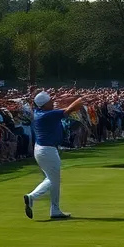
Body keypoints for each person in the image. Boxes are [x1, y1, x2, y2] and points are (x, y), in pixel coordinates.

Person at [24, 90, 82, 221]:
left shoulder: (41, 113)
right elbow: (70, 109)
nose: (52, 102)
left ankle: (54, 209)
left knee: (52, 179)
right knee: (53, 180)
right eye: (50, 101)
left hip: (41, 150)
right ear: (44, 105)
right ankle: (32, 196)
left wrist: (69, 100)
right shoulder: (47, 115)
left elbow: (63, 109)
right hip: (48, 151)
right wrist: (81, 99)